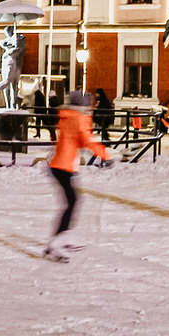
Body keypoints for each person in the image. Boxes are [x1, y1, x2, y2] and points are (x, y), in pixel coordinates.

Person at [43, 89, 111, 261]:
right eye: (88, 104)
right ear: (81, 106)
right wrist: (105, 156)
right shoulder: (78, 119)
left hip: (62, 165)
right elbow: (87, 141)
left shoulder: (69, 117)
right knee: (72, 202)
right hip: (63, 166)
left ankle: (66, 236)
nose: (90, 107)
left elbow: (79, 140)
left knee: (73, 201)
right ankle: (57, 242)